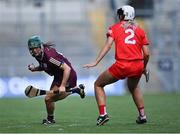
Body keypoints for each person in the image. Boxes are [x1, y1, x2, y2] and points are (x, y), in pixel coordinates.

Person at [83, 5, 150, 126]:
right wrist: (144, 67)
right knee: (134, 87)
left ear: (124, 15)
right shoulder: (140, 29)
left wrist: (96, 61)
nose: (119, 15)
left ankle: (103, 114)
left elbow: (108, 46)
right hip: (138, 65)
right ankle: (142, 115)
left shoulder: (114, 28)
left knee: (98, 84)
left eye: (120, 13)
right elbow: (146, 54)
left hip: (122, 65)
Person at [27, 36, 85, 125]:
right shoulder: (38, 55)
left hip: (68, 75)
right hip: (58, 76)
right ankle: (50, 119)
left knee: (49, 97)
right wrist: (34, 69)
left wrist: (62, 85)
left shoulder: (50, 57)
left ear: (40, 46)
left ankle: (74, 90)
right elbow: (44, 66)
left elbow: (67, 69)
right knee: (48, 99)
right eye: (32, 49)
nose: (34, 51)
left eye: (36, 48)